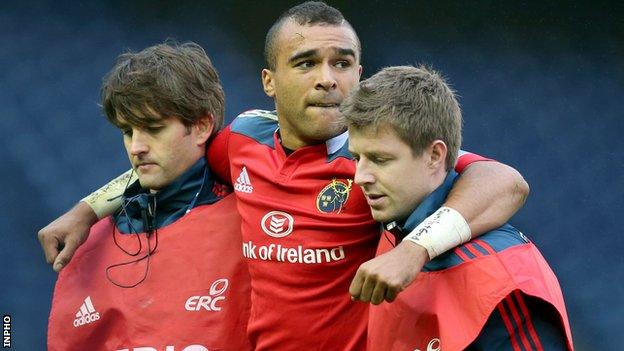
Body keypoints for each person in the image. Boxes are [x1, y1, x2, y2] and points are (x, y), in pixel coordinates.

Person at [39, 2, 530, 350]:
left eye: (343, 63)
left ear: (360, 74)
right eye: (306, 62)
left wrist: (411, 251)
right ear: (269, 81)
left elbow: (505, 182)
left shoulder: (378, 162)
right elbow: (170, 158)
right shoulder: (244, 140)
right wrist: (86, 210)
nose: (327, 78)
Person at [343, 65, 573, 350]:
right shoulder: (396, 222)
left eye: (380, 159)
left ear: (435, 156)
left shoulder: (501, 279)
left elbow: (509, 181)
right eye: (357, 158)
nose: (359, 177)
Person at [46, 42, 252, 351]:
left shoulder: (254, 219)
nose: (135, 147)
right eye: (128, 131)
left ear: (201, 126)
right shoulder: (89, 239)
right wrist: (87, 211)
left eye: (153, 129)